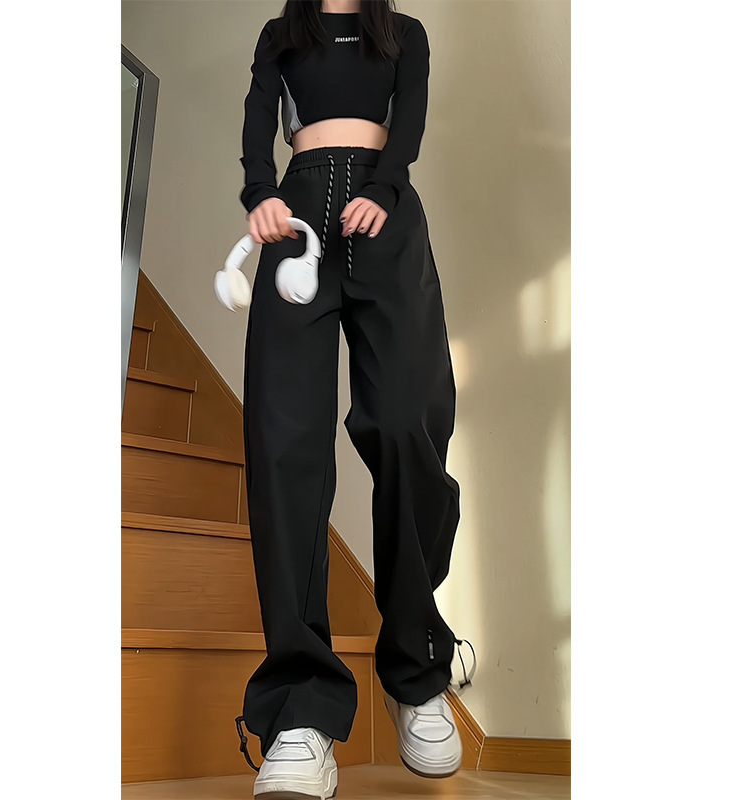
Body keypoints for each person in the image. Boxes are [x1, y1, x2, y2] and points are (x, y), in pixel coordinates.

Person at [232, 2, 475, 797]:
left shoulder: (403, 33)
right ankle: (299, 707)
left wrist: (388, 185)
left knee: (410, 421)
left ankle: (416, 667)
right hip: (295, 219)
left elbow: (410, 122)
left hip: (385, 217)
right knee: (284, 441)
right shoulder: (282, 33)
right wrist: (259, 190)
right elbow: (258, 117)